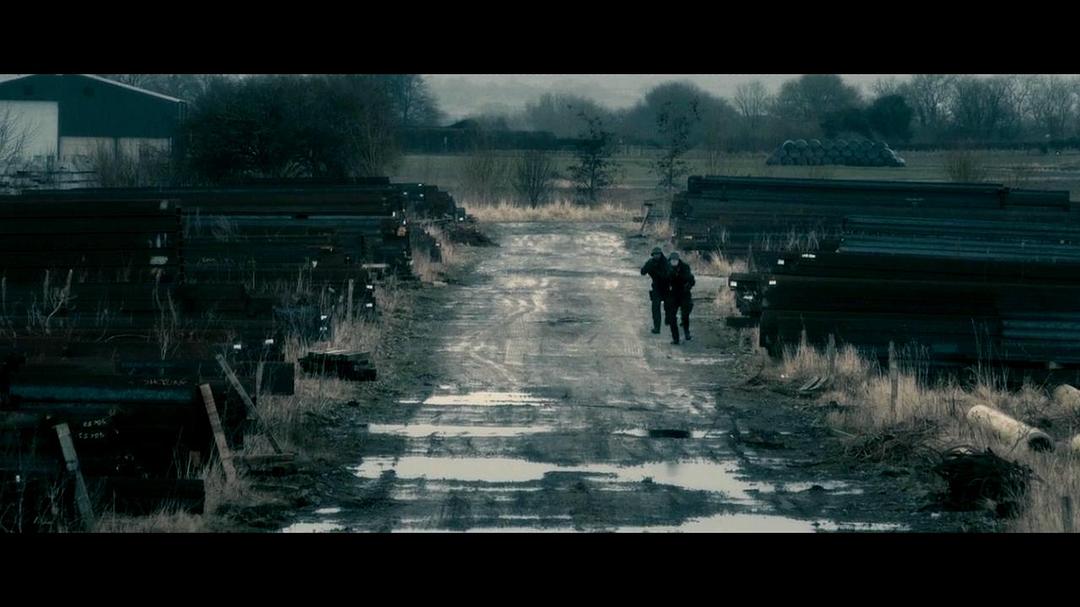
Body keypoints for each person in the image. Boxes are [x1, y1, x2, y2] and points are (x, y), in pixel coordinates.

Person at [665, 252, 695, 345]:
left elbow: (691, 280)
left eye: (676, 260)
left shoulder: (685, 267)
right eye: (672, 260)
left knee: (685, 314)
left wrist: (688, 286)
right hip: (672, 294)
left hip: (684, 293)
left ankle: (686, 332)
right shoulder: (667, 268)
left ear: (678, 260)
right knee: (672, 317)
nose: (674, 262)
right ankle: (676, 338)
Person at [640, 247, 669, 334]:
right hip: (656, 288)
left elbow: (669, 275)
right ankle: (657, 327)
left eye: (658, 254)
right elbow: (643, 272)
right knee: (655, 308)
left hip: (667, 287)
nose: (657, 256)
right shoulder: (651, 262)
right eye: (655, 254)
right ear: (653, 255)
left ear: (661, 254)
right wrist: (648, 267)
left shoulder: (665, 262)